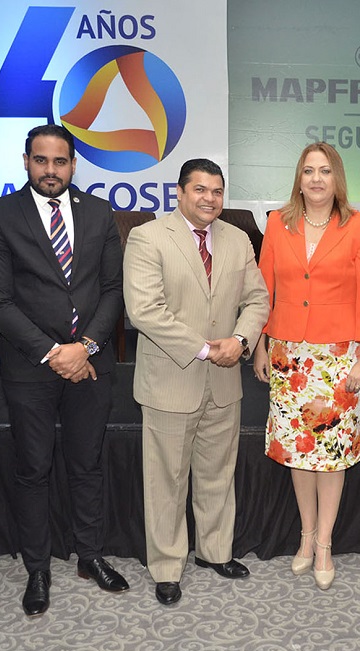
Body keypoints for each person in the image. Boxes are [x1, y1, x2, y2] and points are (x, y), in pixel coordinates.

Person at [0, 124, 128, 617]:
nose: (51, 170)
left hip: (91, 363)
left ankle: (90, 555)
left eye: (60, 162)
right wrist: (53, 352)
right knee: (33, 469)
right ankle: (37, 568)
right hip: (29, 367)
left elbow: (113, 290)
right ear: (26, 162)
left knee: (88, 463)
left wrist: (84, 346)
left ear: (74, 165)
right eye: (41, 161)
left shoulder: (100, 212)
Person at [125, 158, 269, 606]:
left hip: (225, 382)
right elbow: (145, 312)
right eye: (200, 190)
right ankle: (167, 567)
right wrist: (209, 348)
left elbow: (258, 299)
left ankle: (214, 551)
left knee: (217, 474)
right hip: (172, 380)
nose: (210, 199)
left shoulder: (238, 238)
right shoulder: (147, 237)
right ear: (180, 192)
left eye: (217, 191)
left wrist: (242, 339)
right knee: (166, 480)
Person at [252, 142, 360, 590]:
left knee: (329, 454)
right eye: (308, 170)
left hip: (338, 358)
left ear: (337, 178)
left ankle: (326, 542)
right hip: (288, 355)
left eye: (324, 171)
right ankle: (305, 536)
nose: (315, 179)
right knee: (298, 450)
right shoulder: (277, 223)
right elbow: (263, 290)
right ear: (299, 177)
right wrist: (258, 345)